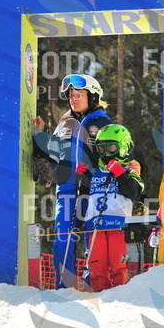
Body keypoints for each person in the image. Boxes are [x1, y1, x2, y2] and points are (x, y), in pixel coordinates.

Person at [33, 74, 112, 288]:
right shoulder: (64, 124)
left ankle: (93, 285)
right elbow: (52, 153)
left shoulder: (103, 124)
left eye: (79, 95)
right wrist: (40, 135)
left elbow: (118, 152)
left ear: (93, 96)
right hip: (66, 189)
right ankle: (64, 288)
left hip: (94, 189)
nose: (73, 99)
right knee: (62, 240)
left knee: (93, 241)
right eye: (71, 96)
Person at [82, 124, 144, 292]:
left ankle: (121, 296)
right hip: (95, 227)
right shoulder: (94, 172)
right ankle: (99, 296)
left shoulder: (130, 171)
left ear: (123, 146)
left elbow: (134, 192)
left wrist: (121, 174)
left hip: (119, 226)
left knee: (119, 265)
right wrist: (82, 176)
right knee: (97, 265)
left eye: (110, 147)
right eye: (101, 148)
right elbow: (83, 197)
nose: (105, 152)